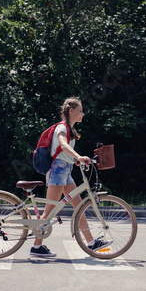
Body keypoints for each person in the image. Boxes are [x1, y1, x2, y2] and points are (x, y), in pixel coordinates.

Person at [30, 97, 112, 257]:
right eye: (80, 110)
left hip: (65, 170)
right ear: (71, 111)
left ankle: (91, 242)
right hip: (58, 170)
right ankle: (36, 247)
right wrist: (78, 156)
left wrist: (75, 160)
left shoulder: (70, 129)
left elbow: (63, 152)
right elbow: (62, 145)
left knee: (79, 207)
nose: (82, 114)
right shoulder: (62, 128)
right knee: (49, 211)